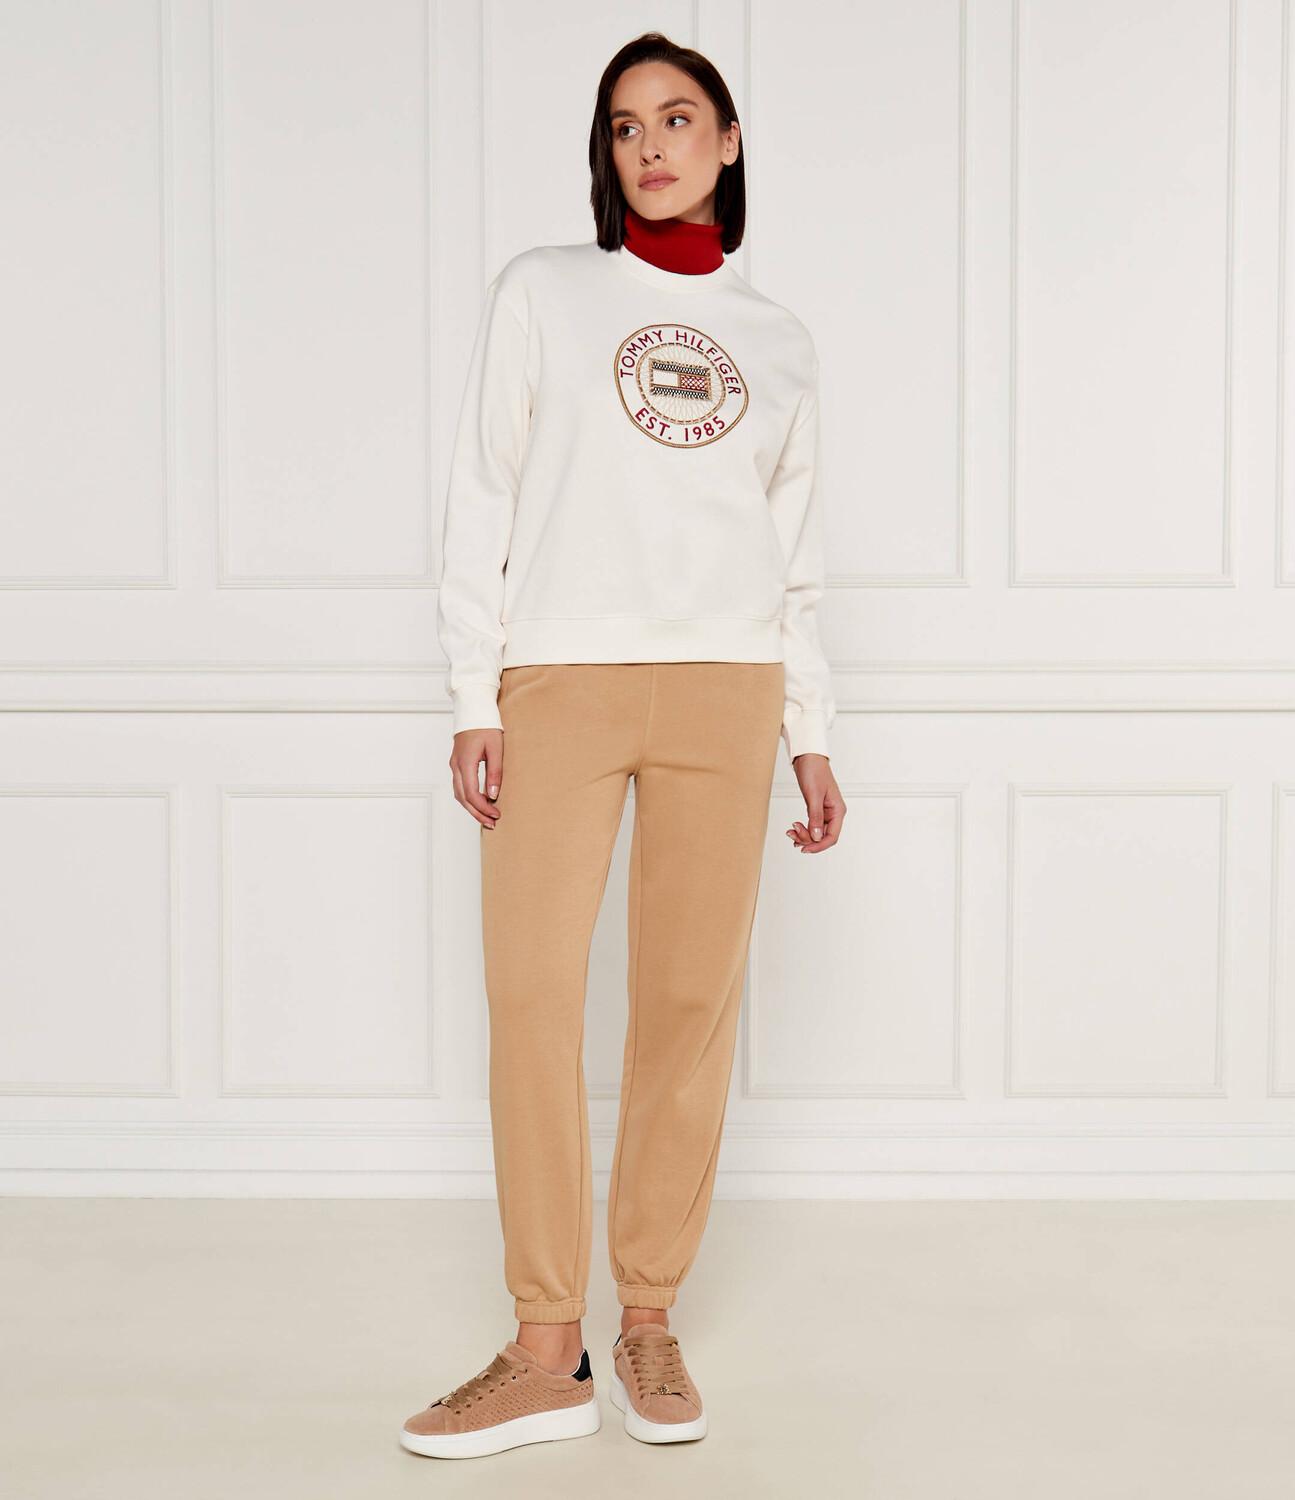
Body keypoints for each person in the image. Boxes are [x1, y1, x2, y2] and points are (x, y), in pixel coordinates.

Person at [400, 30, 845, 1461]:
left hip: (730, 684)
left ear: (728, 141)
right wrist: (475, 696)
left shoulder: (778, 340)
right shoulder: (544, 291)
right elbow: (482, 491)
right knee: (532, 995)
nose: (649, 145)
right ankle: (548, 1348)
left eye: (676, 117)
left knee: (687, 1006)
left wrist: (810, 729)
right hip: (563, 678)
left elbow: (794, 554)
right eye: (622, 125)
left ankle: (646, 1314)